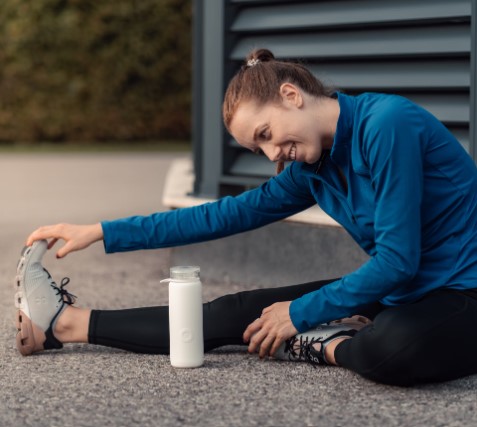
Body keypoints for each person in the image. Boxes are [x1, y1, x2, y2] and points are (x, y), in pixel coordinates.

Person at [15, 48, 477, 387]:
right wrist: (99, 231)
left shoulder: (386, 124)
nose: (274, 154)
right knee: (239, 311)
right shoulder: (312, 168)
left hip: (461, 292)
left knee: (389, 349)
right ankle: (62, 324)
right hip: (402, 290)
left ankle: (328, 345)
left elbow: (398, 261)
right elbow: (222, 216)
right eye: (261, 149)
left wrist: (301, 314)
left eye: (267, 134)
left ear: (292, 95)